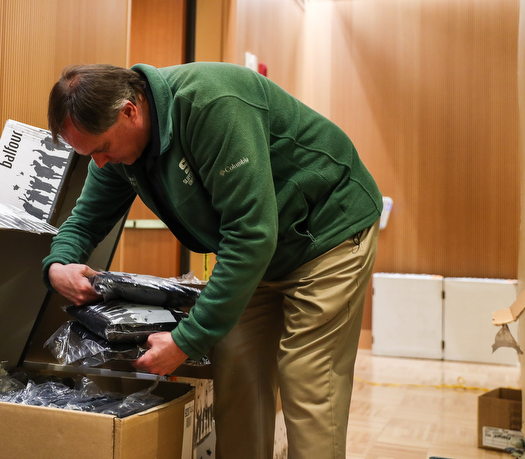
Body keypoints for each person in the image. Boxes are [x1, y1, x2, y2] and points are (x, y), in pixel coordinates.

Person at [41, 62, 382, 458]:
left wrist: (186, 341)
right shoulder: (116, 154)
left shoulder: (211, 104)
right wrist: (58, 265)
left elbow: (252, 235)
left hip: (326, 234)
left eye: (100, 148)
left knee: (308, 380)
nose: (99, 162)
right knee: (235, 368)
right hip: (258, 252)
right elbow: (85, 220)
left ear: (129, 111)